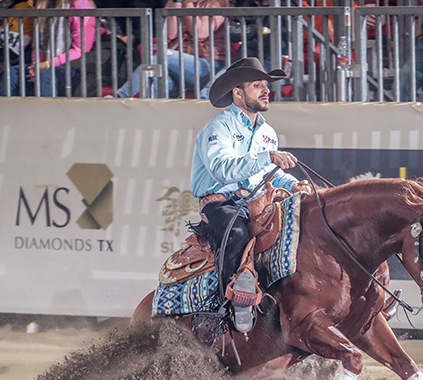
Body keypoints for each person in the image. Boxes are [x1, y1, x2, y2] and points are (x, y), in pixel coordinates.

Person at [190, 57, 300, 333]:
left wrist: (295, 185)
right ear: (238, 93)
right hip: (221, 204)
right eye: (257, 85)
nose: (266, 90)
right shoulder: (219, 128)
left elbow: (270, 175)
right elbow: (222, 170)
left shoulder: (267, 132)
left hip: (256, 203)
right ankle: (229, 307)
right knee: (237, 234)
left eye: (265, 85)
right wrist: (269, 157)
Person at [116, 0, 228, 99]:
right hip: (180, 64)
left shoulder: (217, 2)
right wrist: (174, 6)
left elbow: (201, 32)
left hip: (209, 65)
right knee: (155, 82)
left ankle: (121, 96)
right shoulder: (178, 2)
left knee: (162, 56)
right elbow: (171, 34)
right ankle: (149, 119)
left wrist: (187, 4)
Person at [0, 0, 95, 97]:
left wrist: (47, 64)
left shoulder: (79, 4)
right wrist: (35, 67)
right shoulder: (43, 5)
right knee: (12, 73)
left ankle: (46, 112)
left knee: (46, 75)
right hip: (47, 65)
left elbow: (81, 50)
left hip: (76, 68)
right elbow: (38, 45)